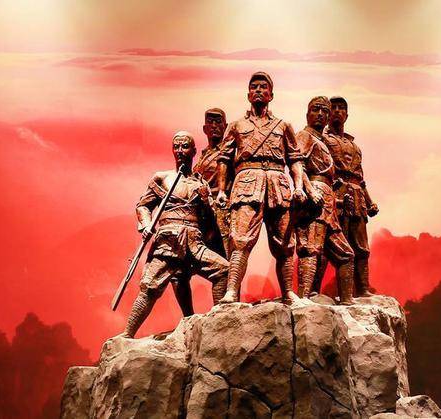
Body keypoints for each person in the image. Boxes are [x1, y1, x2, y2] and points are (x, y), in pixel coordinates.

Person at [121, 131, 229, 338]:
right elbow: (143, 205)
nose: (180, 151)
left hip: (194, 241)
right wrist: (146, 225)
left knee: (223, 270)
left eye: (185, 146)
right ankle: (127, 334)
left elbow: (209, 220)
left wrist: (206, 203)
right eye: (176, 146)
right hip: (168, 241)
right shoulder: (162, 178)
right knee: (150, 286)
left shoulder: (201, 184)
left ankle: (218, 323)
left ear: (194, 151)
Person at [216, 72, 306, 304]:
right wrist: (222, 190)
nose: (258, 90)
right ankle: (231, 291)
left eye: (263, 87)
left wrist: (298, 186)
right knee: (240, 240)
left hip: (278, 184)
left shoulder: (283, 126)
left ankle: (288, 292)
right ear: (248, 94)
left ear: (271, 95)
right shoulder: (236, 126)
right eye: (254, 87)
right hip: (247, 183)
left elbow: (295, 159)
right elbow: (224, 159)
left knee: (285, 244)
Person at [293, 96, 354, 304]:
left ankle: (347, 303)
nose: (320, 114)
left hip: (327, 202)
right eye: (316, 109)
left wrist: (338, 202)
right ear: (307, 114)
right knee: (311, 249)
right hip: (314, 199)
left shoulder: (323, 142)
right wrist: (309, 191)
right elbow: (297, 166)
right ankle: (303, 300)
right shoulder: (304, 136)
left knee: (345, 254)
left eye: (324, 111)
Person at [320, 96, 379, 297]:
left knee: (361, 246)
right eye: (333, 108)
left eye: (341, 108)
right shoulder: (323, 140)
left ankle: (363, 289)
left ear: (347, 114)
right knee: (328, 244)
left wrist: (370, 202)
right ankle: (313, 291)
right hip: (335, 195)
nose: (337, 111)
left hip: (357, 198)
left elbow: (360, 179)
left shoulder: (355, 147)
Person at [193, 108, 232, 257]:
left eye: (218, 122)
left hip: (221, 211)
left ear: (225, 126)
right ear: (205, 128)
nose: (214, 126)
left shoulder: (229, 153)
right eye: (210, 122)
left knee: (225, 259)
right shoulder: (203, 155)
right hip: (203, 212)